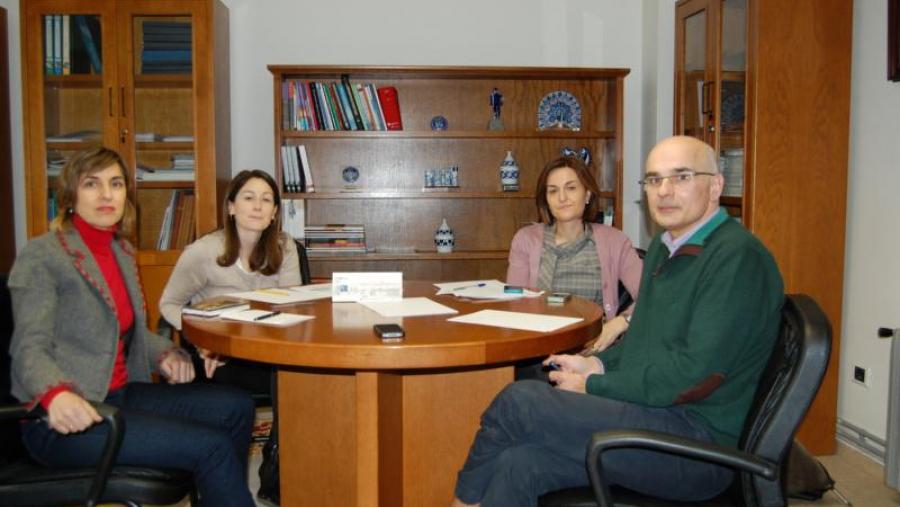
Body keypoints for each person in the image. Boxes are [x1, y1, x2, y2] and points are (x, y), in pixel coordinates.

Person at [450, 136, 785, 506]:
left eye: (682, 177)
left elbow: (694, 376)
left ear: (716, 184)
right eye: (654, 180)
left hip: (691, 445)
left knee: (519, 403)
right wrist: (595, 361)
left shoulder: (736, 258)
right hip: (654, 416)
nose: (665, 191)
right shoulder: (664, 247)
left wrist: (594, 384)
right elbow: (642, 337)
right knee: (518, 463)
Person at [8, 147, 256, 506]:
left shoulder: (121, 251)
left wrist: (168, 353)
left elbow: (134, 334)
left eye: (116, 184)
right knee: (211, 446)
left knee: (236, 406)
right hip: (66, 416)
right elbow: (28, 347)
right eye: (92, 184)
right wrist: (54, 394)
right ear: (70, 194)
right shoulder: (43, 255)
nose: (107, 195)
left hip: (121, 395)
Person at [159, 169, 301, 505]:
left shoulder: (285, 247)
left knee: (298, 382)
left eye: (267, 200)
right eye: (249, 197)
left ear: (275, 213)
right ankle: (225, 482)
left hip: (269, 349)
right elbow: (169, 304)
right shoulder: (203, 251)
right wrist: (202, 342)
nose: (258, 206)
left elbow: (296, 305)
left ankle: (278, 472)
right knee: (240, 389)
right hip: (217, 351)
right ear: (232, 206)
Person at [507, 156, 642, 354]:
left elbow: (651, 295)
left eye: (571, 188)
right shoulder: (526, 240)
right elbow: (514, 303)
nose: (562, 198)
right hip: (539, 350)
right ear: (546, 199)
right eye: (553, 191)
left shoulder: (614, 241)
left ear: (587, 195)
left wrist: (619, 323)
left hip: (595, 350)